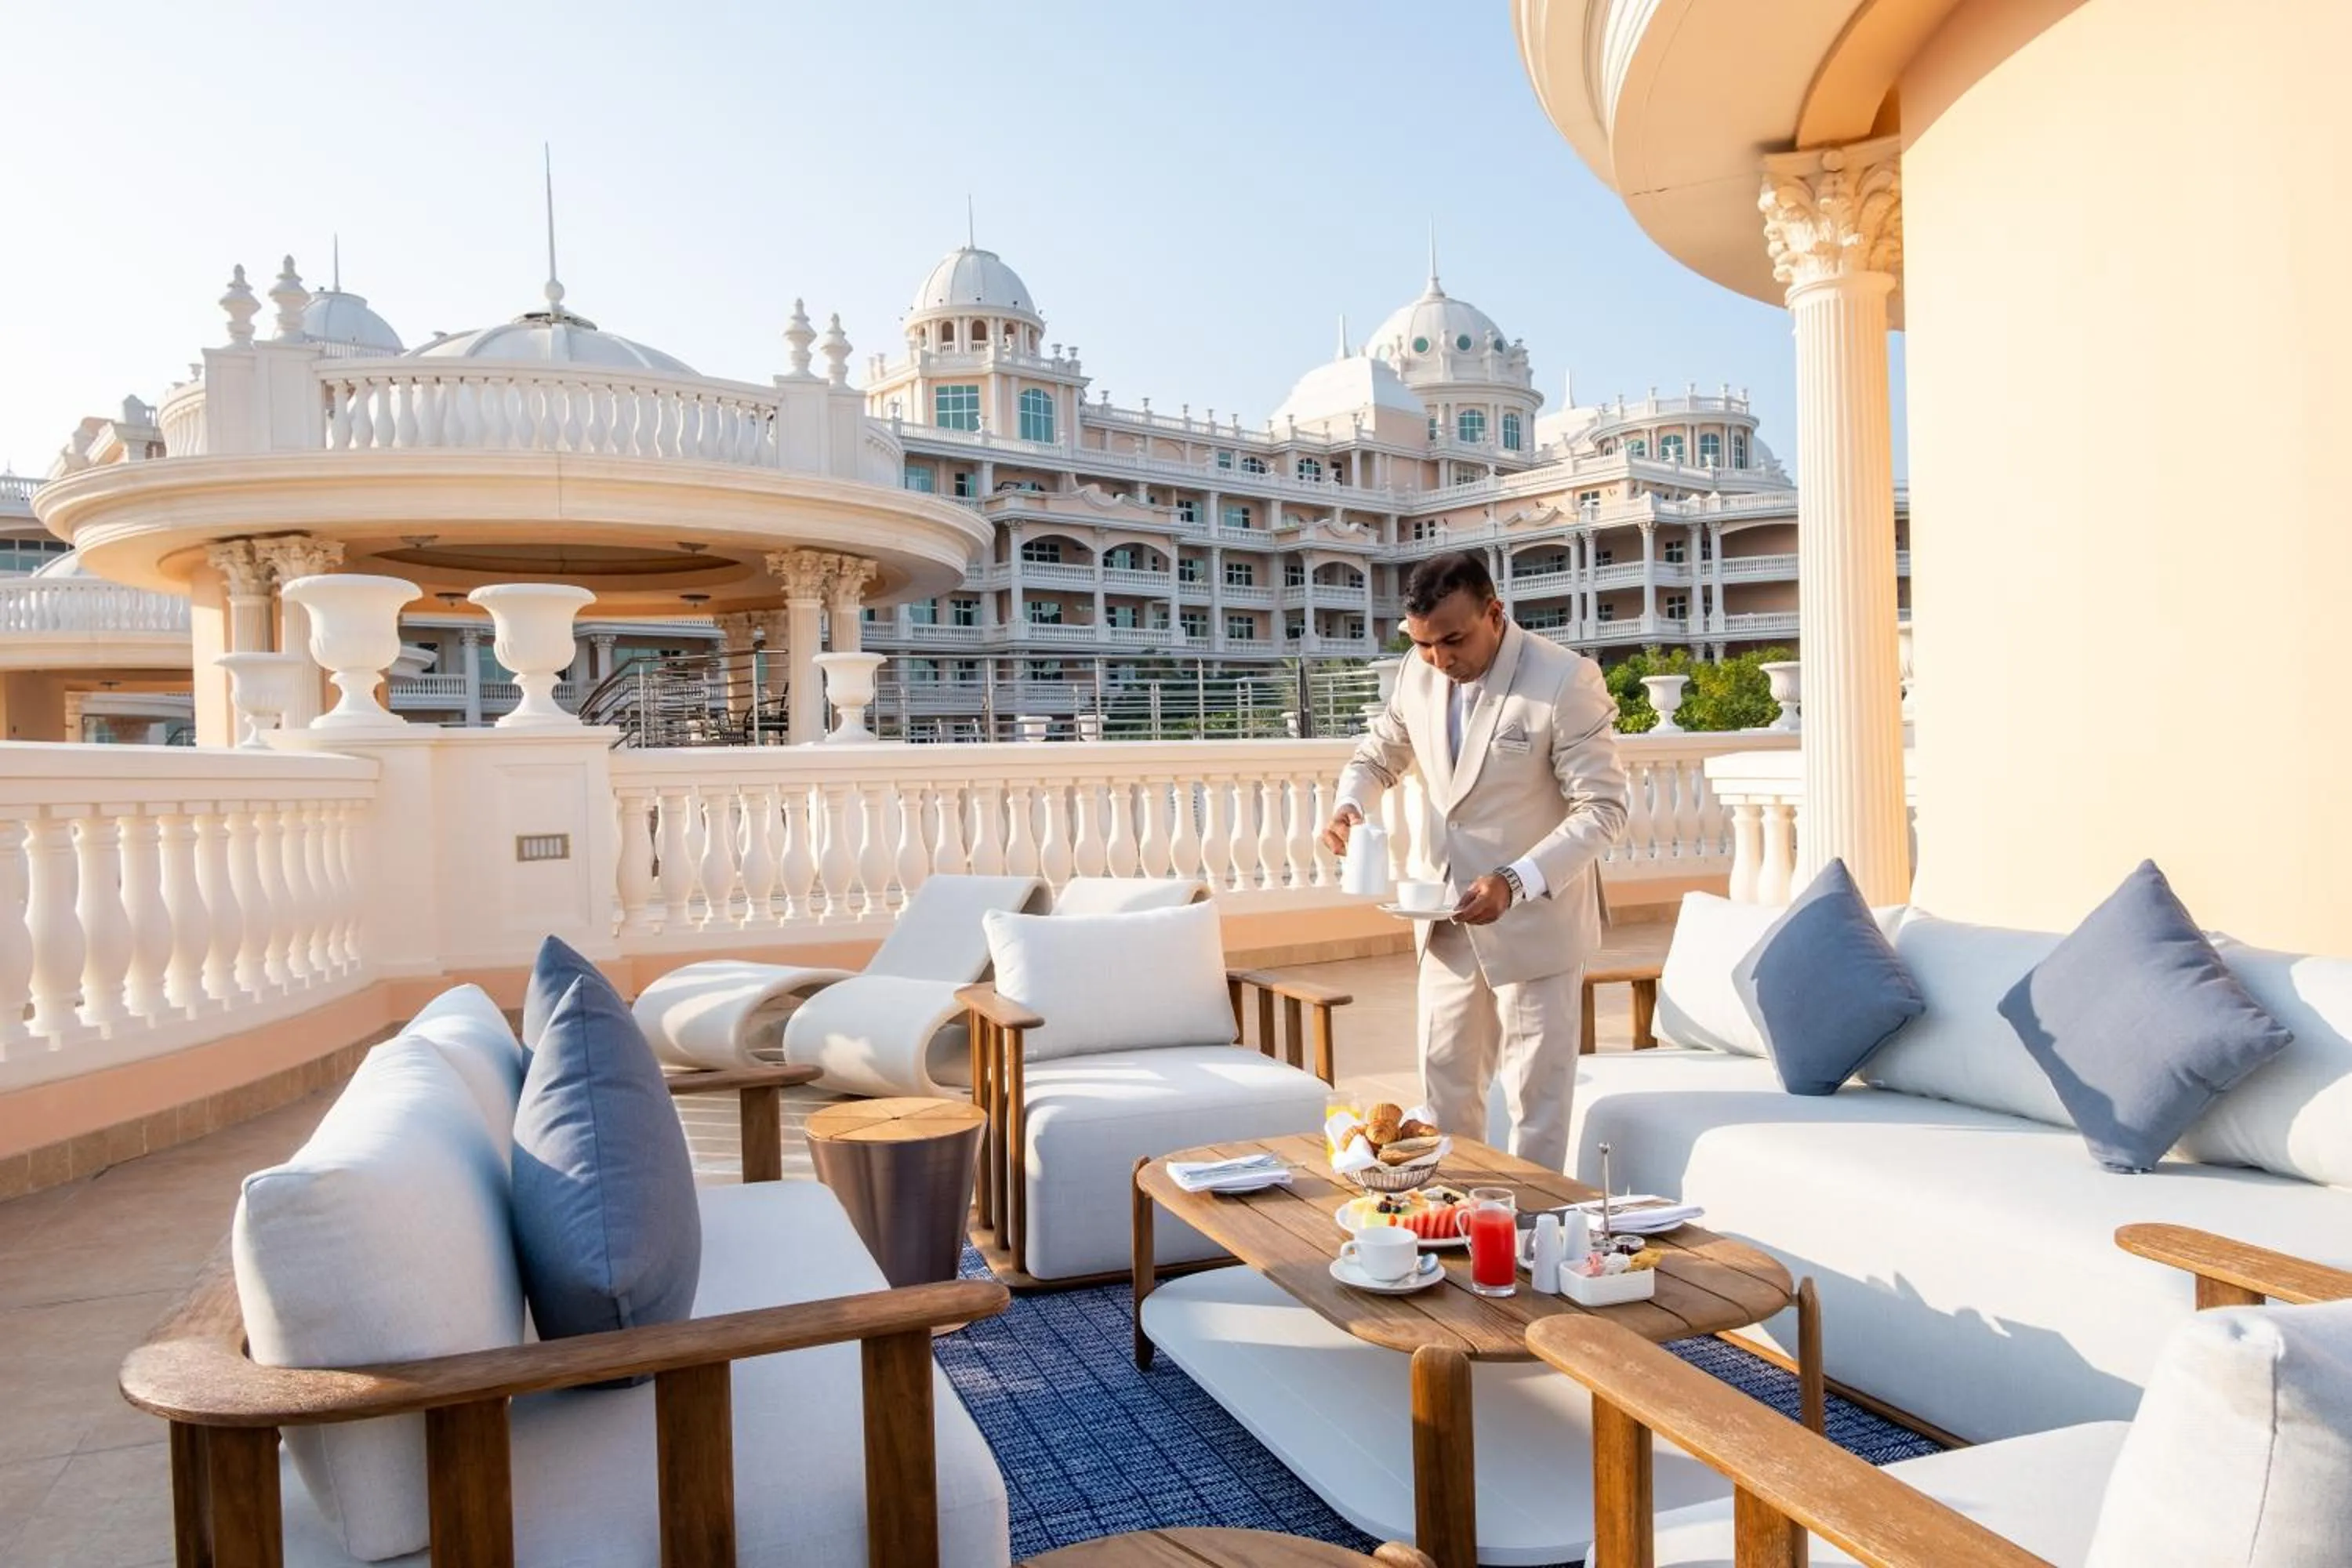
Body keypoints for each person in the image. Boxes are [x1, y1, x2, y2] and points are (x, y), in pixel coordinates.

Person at [1323, 550, 1628, 1171]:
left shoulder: (1565, 680)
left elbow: (1602, 810)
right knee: (1445, 1095)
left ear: (1495, 612)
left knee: (1536, 1106)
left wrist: (1515, 881)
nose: (1440, 660)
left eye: (1453, 641)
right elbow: (1379, 754)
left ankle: (1529, 1242)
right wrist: (1349, 805)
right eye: (1424, 643)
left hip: (1538, 923)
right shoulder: (1419, 669)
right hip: (1445, 920)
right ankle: (1457, 1227)